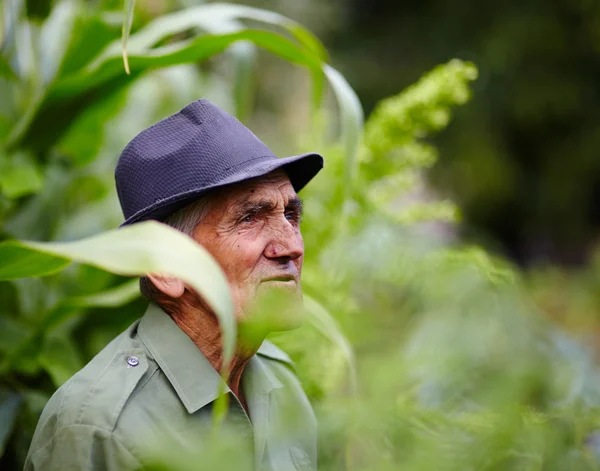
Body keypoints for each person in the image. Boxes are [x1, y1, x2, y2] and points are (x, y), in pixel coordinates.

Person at [24, 99, 324, 471]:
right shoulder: (100, 427)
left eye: (291, 215)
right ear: (165, 266)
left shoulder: (281, 382)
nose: (292, 246)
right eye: (251, 218)